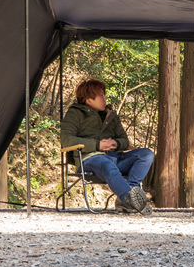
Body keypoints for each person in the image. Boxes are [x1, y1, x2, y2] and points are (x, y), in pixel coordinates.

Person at [61, 79, 154, 215]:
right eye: (101, 96)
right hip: (89, 159)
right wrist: (98, 145)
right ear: (88, 100)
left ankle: (129, 195)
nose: (105, 98)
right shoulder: (75, 113)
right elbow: (66, 140)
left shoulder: (111, 115)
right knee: (106, 165)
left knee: (146, 154)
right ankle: (129, 197)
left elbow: (124, 140)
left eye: (104, 95)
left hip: (114, 157)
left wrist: (116, 144)